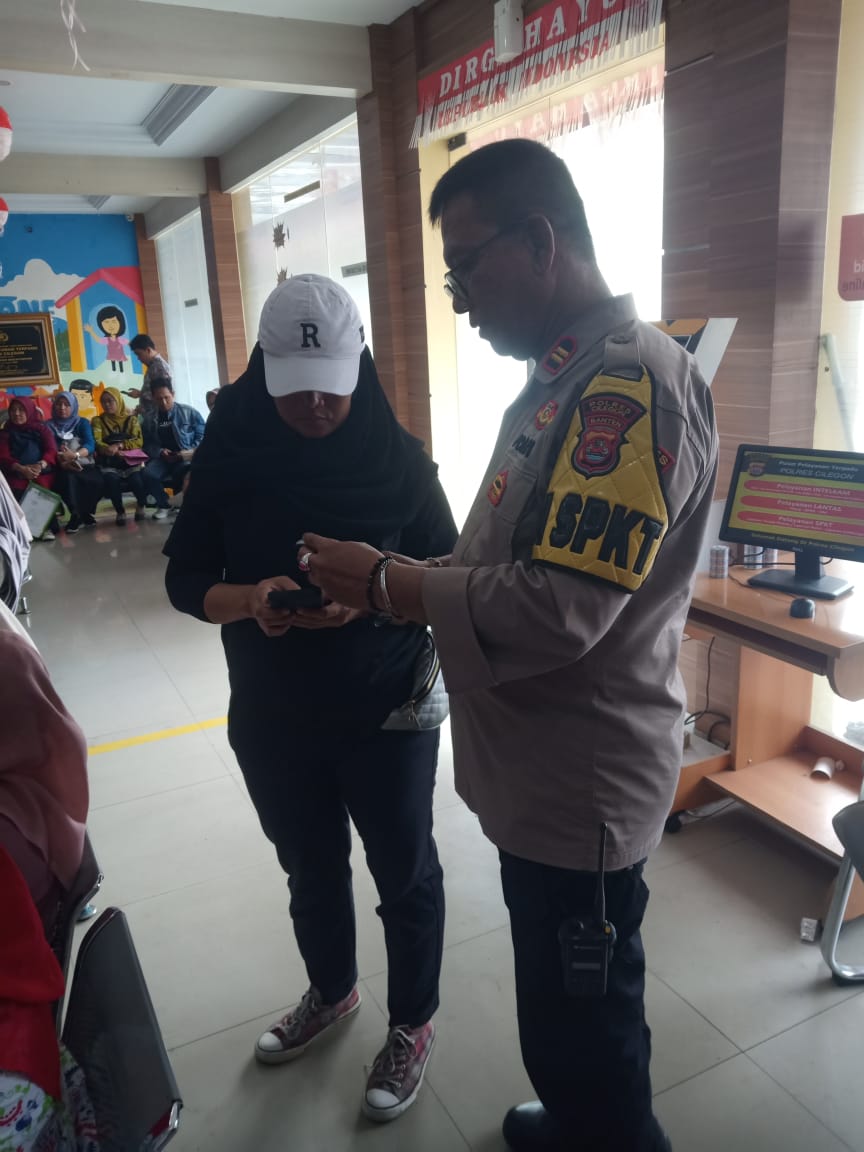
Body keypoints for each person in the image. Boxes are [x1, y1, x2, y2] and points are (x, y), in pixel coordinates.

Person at [298, 140, 719, 1152]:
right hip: (539, 775)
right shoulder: (561, 380)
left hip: (581, 789)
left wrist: (393, 585)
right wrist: (387, 586)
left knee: (591, 1043)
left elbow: (561, 607)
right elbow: (507, 554)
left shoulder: (624, 389)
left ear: (539, 241)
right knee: (561, 1022)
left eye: (465, 269)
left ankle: (598, 1128)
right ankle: (574, 1120)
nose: (459, 302)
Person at [163, 274, 457, 1124]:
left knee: (405, 871)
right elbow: (185, 578)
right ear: (263, 370)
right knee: (310, 865)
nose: (318, 405)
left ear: (359, 364)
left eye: (332, 384)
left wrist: (374, 593)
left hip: (387, 703)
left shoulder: (398, 460)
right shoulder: (231, 451)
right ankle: (332, 990)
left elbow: (451, 570)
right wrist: (249, 599)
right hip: (275, 708)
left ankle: (413, 1023)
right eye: (297, 389)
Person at [91, 387, 163, 525]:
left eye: (110, 401)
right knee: (111, 481)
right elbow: (97, 441)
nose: (107, 404)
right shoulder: (98, 421)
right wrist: (108, 449)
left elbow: (138, 441)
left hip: (130, 461)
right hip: (109, 461)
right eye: (103, 402)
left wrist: (120, 446)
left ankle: (141, 505)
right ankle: (120, 511)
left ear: (118, 401)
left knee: (137, 480)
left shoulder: (131, 420)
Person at [0, 398, 58, 541]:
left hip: (41, 470)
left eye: (21, 410)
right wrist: (21, 469)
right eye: (13, 410)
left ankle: (44, 528)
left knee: (42, 487)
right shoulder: (5, 433)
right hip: (16, 472)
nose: (17, 413)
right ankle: (22, 530)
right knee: (16, 489)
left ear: (29, 411)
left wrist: (40, 465)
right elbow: (4, 456)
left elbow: (51, 450)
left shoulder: (42, 429)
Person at [141, 381, 205, 511]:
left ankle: (181, 505)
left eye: (167, 397)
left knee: (182, 470)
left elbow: (202, 436)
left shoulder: (189, 412)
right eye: (159, 399)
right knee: (148, 474)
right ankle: (165, 505)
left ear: (173, 394)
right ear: (153, 398)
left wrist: (187, 452)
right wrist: (160, 451)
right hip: (162, 458)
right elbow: (146, 444)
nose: (164, 402)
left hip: (184, 456)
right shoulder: (148, 419)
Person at [45, 391, 102, 533]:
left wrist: (75, 455)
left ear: (73, 406)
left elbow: (90, 444)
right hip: (60, 466)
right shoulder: (48, 426)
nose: (62, 408)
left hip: (83, 462)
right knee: (68, 480)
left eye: (67, 404)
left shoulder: (82, 422)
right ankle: (76, 515)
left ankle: (84, 512)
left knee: (97, 481)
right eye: (59, 404)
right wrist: (62, 461)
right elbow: (49, 448)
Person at [128, 333, 172, 416]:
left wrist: (140, 394)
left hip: (159, 417)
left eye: (139, 354)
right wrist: (141, 393)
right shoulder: (153, 366)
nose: (138, 358)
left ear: (148, 350)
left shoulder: (159, 367)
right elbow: (155, 391)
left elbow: (163, 394)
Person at [85, 305, 129, 374]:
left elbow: (128, 342)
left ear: (120, 323)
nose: (110, 325)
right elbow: (99, 340)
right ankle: (114, 371)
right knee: (113, 362)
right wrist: (91, 331)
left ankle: (121, 371)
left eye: (114, 321)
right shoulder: (107, 339)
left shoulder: (120, 339)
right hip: (112, 355)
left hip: (119, 355)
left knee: (120, 362)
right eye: (106, 322)